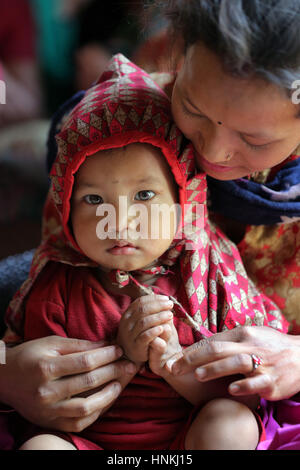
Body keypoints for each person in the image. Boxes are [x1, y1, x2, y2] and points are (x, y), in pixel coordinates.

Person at [4, 54, 287, 450]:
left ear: (183, 200)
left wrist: (172, 362)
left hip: (187, 438)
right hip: (90, 443)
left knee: (231, 423)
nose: (119, 220)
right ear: (64, 208)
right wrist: (125, 353)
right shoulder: (57, 285)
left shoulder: (210, 276)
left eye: (144, 195)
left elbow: (243, 393)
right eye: (93, 199)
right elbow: (49, 399)